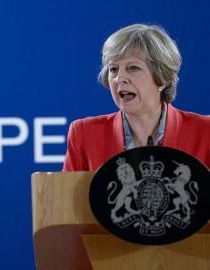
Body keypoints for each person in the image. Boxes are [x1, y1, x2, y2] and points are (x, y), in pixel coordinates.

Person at [63, 24, 210, 171]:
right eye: (113, 69)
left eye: (133, 68)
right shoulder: (84, 135)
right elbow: (66, 194)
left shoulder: (205, 132)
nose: (119, 78)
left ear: (163, 78)